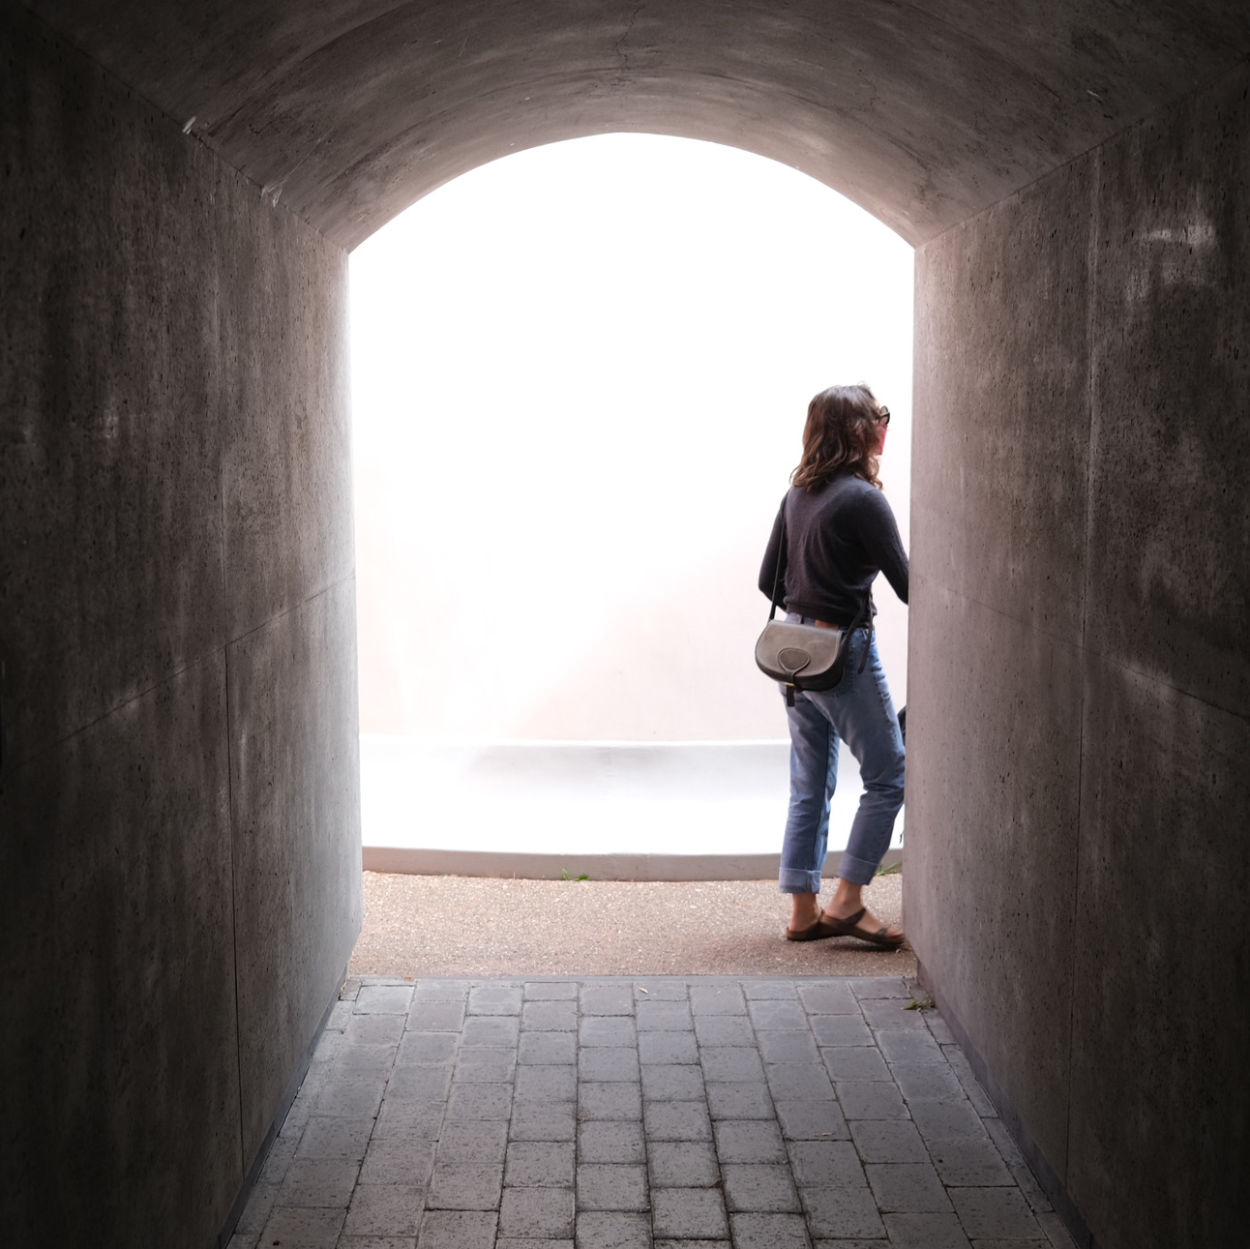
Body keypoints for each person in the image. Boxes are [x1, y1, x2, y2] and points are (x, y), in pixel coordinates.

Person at [758, 383, 908, 948]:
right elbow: (910, 585)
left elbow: (766, 579)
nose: (884, 424)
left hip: (795, 654)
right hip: (843, 654)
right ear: (859, 430)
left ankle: (802, 910)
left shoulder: (798, 495)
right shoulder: (864, 500)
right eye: (879, 416)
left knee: (810, 782)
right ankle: (847, 901)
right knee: (890, 775)